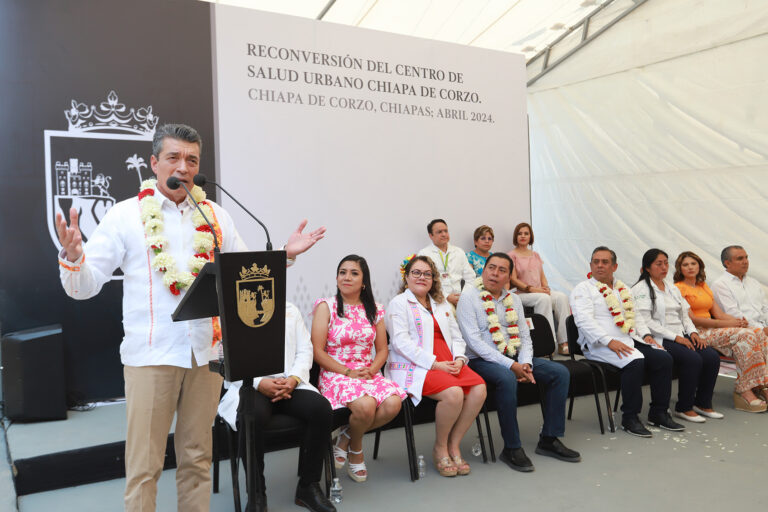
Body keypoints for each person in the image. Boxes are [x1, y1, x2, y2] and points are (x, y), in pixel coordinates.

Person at [56, 124, 326, 512]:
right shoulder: (125, 216)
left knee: (198, 458)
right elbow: (83, 286)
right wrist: (72, 258)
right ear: (154, 163)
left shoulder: (215, 215)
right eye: (174, 158)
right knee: (144, 466)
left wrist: (284, 254)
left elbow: (244, 271)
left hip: (206, 357)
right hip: (151, 356)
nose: (183, 167)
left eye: (192, 160)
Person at [456, 252, 580, 472]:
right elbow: (473, 342)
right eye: (491, 267)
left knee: (559, 373)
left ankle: (549, 439)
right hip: (481, 359)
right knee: (506, 378)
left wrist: (526, 364)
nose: (495, 273)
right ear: (483, 270)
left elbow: (524, 336)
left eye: (502, 270)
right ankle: (512, 448)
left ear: (509, 276)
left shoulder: (513, 299)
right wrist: (511, 366)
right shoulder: (469, 296)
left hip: (515, 357)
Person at [218, 303, 336, 512]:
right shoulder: (232, 310)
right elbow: (230, 355)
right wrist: (258, 382)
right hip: (250, 384)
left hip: (290, 383)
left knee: (321, 410)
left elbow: (305, 349)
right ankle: (256, 494)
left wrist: (294, 378)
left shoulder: (290, 308)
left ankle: (308, 486)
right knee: (250, 416)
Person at [386, 255, 486, 477]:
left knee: (479, 389)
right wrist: (435, 364)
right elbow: (401, 343)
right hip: (417, 364)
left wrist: (460, 358)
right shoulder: (398, 303)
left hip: (448, 360)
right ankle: (440, 447)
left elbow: (457, 336)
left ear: (433, 279)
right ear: (407, 276)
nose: (422, 277)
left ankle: (454, 444)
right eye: (416, 273)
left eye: (427, 274)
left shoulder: (441, 303)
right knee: (454, 394)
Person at [569, 246, 684, 438]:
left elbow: (636, 316)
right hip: (599, 344)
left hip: (630, 339)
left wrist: (646, 336)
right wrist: (608, 341)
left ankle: (658, 413)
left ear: (614, 266)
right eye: (595, 262)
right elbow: (583, 321)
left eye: (605, 262)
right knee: (635, 361)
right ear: (590, 265)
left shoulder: (623, 288)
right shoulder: (583, 289)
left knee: (663, 358)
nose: (599, 266)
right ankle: (630, 417)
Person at [311, 255, 406, 483]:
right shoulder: (327, 306)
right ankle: (357, 451)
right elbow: (317, 350)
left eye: (354, 273)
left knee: (394, 404)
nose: (347, 277)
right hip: (336, 372)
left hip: (366, 372)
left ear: (364, 281)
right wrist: (346, 372)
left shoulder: (375, 309)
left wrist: (373, 369)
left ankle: (344, 438)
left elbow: (382, 349)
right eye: (342, 272)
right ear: (336, 278)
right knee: (366, 406)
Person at [631, 249, 722, 423]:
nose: (664, 267)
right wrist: (676, 337)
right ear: (647, 268)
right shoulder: (640, 289)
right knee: (692, 359)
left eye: (666, 262)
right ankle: (684, 407)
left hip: (682, 334)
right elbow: (646, 322)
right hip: (661, 336)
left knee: (711, 357)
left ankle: (702, 403)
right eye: (659, 264)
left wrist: (693, 333)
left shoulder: (672, 287)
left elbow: (685, 315)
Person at [674, 250, 768, 412]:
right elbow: (691, 319)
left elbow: (719, 314)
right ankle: (744, 389)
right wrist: (724, 324)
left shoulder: (703, 286)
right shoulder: (678, 288)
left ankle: (761, 384)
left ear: (699, 266)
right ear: (679, 269)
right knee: (746, 335)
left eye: (693, 263)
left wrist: (736, 322)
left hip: (713, 328)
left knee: (757, 332)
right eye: (685, 265)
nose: (690, 267)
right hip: (696, 332)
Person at [507, 222, 570, 355]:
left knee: (562, 298)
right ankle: (547, 343)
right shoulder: (511, 255)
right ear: (515, 236)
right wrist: (533, 289)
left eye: (526, 233)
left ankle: (563, 342)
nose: (523, 236)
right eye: (520, 233)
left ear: (531, 236)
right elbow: (513, 279)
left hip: (539, 291)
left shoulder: (535, 255)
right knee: (543, 299)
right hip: (522, 293)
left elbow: (542, 275)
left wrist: (546, 287)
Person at [711, 245, 768, 336]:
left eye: (746, 258)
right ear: (727, 263)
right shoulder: (720, 285)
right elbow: (734, 315)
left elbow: (765, 308)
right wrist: (761, 329)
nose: (745, 262)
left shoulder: (754, 282)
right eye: (740, 259)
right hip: (745, 330)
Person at [419, 219, 476, 306]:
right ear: (431, 235)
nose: (444, 234)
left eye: (446, 231)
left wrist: (464, 296)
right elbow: (424, 282)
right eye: (439, 232)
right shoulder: (424, 254)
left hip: (461, 299)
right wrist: (446, 297)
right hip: (437, 300)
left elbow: (470, 277)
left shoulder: (458, 252)